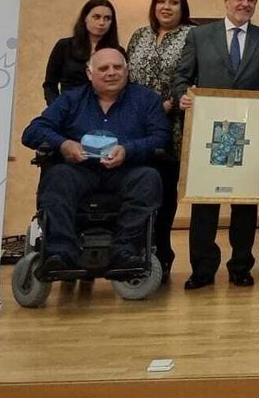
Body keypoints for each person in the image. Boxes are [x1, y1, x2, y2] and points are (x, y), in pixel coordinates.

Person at [171, 0, 259, 289]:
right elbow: (181, 77)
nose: (244, 4)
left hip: (249, 135)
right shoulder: (199, 35)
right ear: (226, 1)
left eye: (251, 0)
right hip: (208, 133)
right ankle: (202, 269)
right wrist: (182, 96)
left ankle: (240, 267)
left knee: (245, 204)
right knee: (205, 204)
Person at [21, 47, 168, 275]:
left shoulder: (146, 99)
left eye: (118, 67)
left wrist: (128, 151)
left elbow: (161, 137)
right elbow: (32, 131)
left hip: (126, 170)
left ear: (127, 71)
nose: (111, 72)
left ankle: (125, 250)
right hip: (80, 170)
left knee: (149, 178)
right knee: (57, 176)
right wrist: (64, 144)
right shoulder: (71, 100)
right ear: (90, 74)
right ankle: (60, 252)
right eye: (103, 68)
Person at [123, 0, 194, 276]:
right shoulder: (139, 35)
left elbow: (191, 78)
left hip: (173, 126)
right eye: (161, 1)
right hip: (134, 127)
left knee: (164, 194)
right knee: (136, 191)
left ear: (182, 7)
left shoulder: (193, 36)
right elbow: (125, 79)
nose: (167, 7)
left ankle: (161, 254)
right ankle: (134, 253)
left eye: (174, 2)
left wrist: (165, 106)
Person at [43, 0, 120, 105]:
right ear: (85, 18)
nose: (102, 22)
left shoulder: (116, 52)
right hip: (69, 110)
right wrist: (57, 109)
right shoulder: (64, 46)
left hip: (105, 112)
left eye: (107, 18)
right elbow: (50, 85)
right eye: (96, 17)